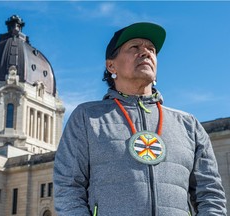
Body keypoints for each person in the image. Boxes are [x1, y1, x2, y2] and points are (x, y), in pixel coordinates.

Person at [53, 22, 227, 216]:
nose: (146, 53)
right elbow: (68, 187)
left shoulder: (188, 125)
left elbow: (210, 195)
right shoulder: (87, 117)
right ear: (111, 65)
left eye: (151, 49)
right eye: (134, 47)